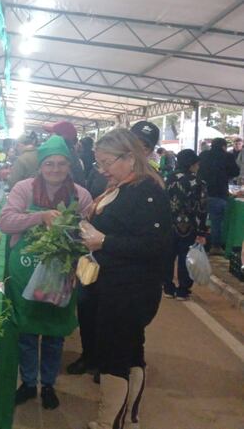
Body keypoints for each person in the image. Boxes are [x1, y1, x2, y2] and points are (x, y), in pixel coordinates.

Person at [79, 128, 171, 429]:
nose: (102, 170)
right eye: (99, 163)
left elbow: (155, 245)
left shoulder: (146, 192)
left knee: (115, 353)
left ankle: (110, 422)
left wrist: (104, 241)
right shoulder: (124, 186)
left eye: (107, 162)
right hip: (115, 283)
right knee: (130, 350)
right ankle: (129, 418)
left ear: (130, 158)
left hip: (131, 288)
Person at [0, 135, 93, 410]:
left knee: (54, 332)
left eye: (61, 164)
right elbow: (6, 222)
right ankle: (29, 383)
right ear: (40, 166)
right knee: (26, 330)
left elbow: (90, 232)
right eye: (49, 164)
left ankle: (49, 384)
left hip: (61, 274)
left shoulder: (81, 195)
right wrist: (40, 217)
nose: (55, 169)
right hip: (25, 270)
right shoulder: (24, 189)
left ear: (69, 166)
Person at [164, 149, 208, 300]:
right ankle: (183, 290)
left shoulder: (168, 179)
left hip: (168, 225)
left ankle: (168, 288)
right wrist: (202, 231)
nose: (198, 167)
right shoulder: (198, 182)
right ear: (191, 164)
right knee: (185, 257)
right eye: (197, 164)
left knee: (168, 256)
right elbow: (202, 208)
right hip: (189, 227)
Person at [198, 137, 239, 255]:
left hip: (202, 191)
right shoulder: (228, 156)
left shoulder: (204, 155)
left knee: (201, 218)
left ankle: (199, 244)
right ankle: (215, 246)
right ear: (224, 146)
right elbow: (235, 172)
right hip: (219, 192)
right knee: (216, 221)